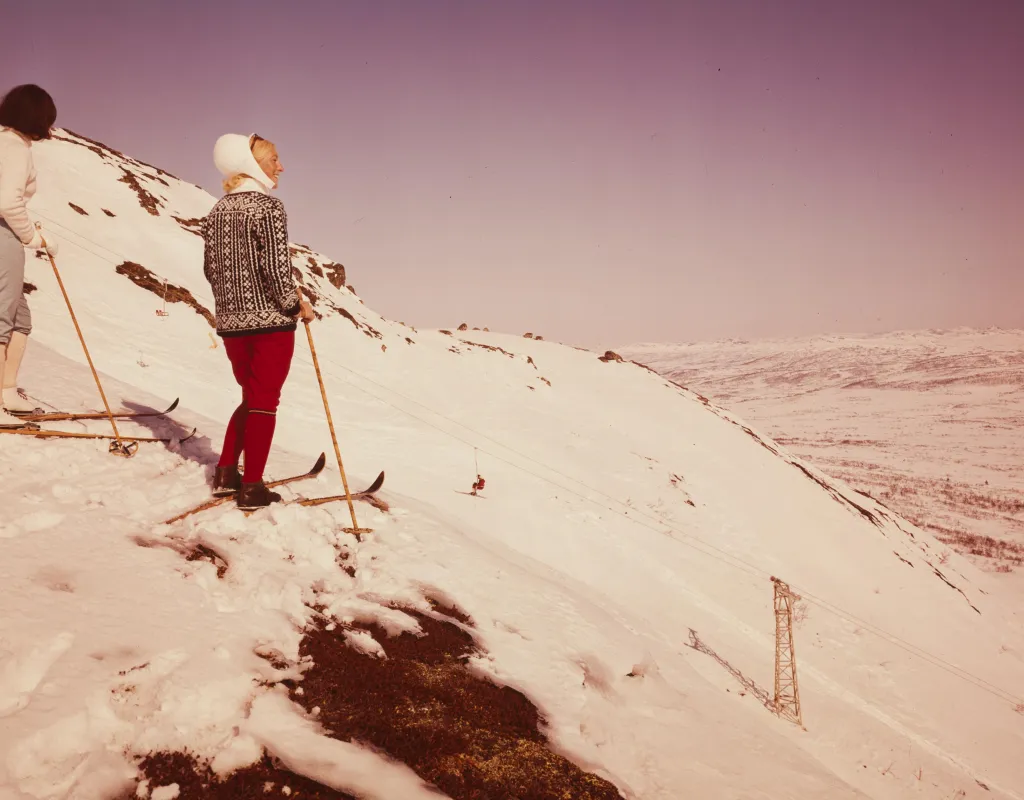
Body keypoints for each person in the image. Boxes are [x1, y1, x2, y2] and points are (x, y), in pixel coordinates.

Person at [202, 132, 314, 509]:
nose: (280, 166)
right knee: (265, 402)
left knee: (251, 397)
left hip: (231, 325)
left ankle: (225, 473)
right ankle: (252, 487)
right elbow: (276, 268)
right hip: (270, 325)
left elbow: (210, 270)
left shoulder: (216, 211)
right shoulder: (268, 207)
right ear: (252, 164)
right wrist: (296, 305)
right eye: (273, 159)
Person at [0, 84, 58, 428]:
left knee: (20, 317)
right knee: (4, 316)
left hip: (6, 231)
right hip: (3, 232)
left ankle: (6, 390)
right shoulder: (14, 146)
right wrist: (33, 237)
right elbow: (7, 202)